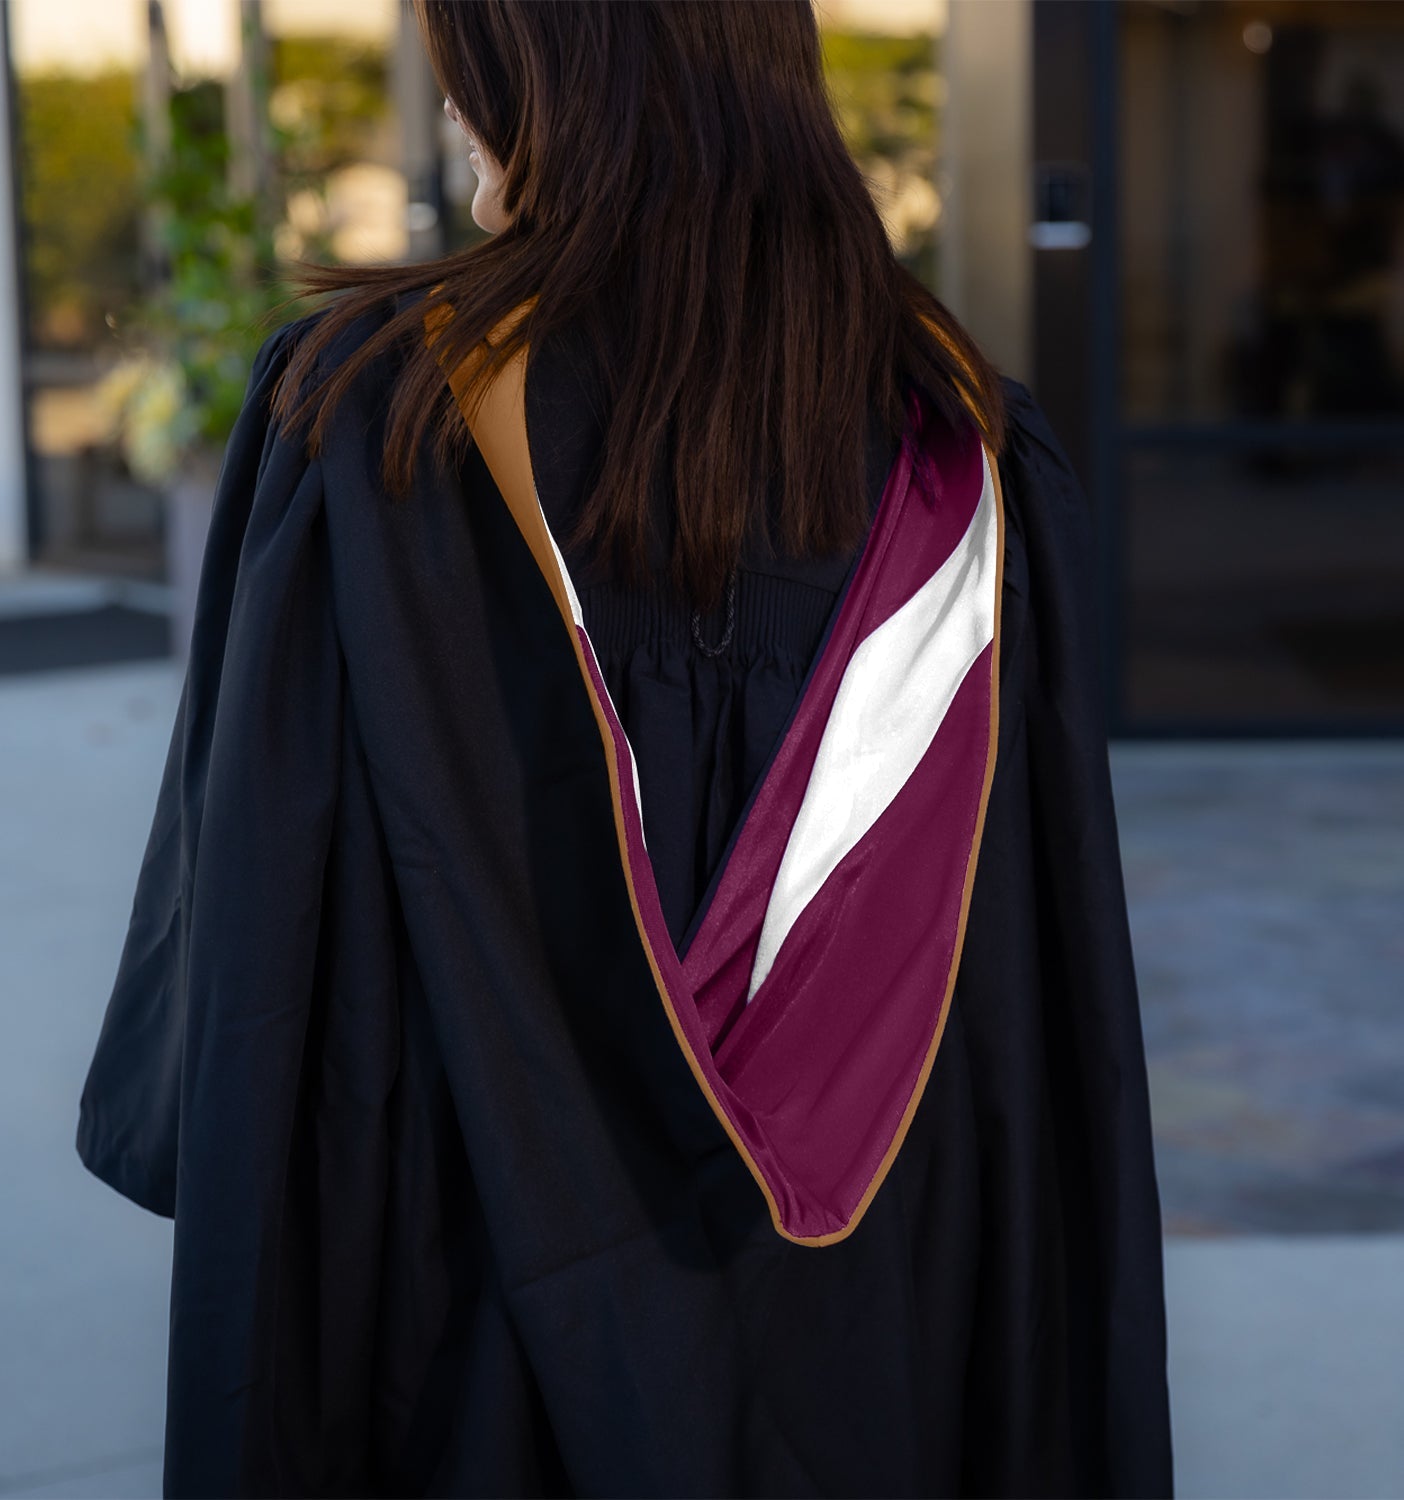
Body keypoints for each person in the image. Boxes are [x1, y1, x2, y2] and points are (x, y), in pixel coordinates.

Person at [76, 2, 1173, 1495]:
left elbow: (263, 945)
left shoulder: (375, 423)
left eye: (471, 55)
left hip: (468, 1311)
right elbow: (1039, 1009)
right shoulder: (962, 442)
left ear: (559, 70)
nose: (451, 103)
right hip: (890, 1318)